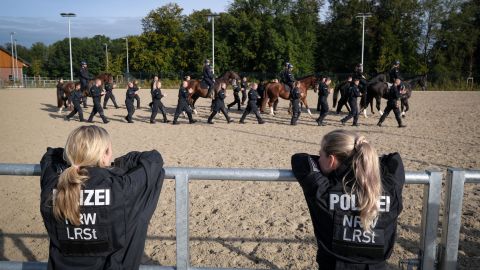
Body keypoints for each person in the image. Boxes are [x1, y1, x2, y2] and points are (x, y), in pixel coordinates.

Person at [40, 125, 165, 270]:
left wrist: (74, 158)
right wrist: (120, 164)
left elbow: (50, 155)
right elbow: (153, 159)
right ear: (104, 154)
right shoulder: (120, 188)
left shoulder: (52, 187)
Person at [291, 129, 405, 270]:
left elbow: (300, 159)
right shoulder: (389, 186)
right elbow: (394, 160)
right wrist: (362, 155)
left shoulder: (322, 190)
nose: (319, 159)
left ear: (332, 160)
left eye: (321, 155)